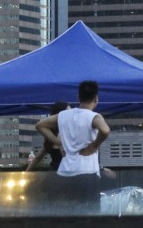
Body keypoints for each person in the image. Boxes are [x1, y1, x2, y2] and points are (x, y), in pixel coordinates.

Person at [35, 80, 110, 212]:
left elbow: (40, 125)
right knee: (90, 213)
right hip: (88, 172)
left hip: (64, 172)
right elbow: (105, 130)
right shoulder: (94, 116)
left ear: (78, 97)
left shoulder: (63, 115)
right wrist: (94, 146)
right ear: (96, 98)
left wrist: (58, 142)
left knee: (68, 213)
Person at [27, 101, 69, 171]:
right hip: (65, 173)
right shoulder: (65, 132)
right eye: (68, 112)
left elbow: (38, 157)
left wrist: (26, 173)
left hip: (53, 172)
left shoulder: (51, 134)